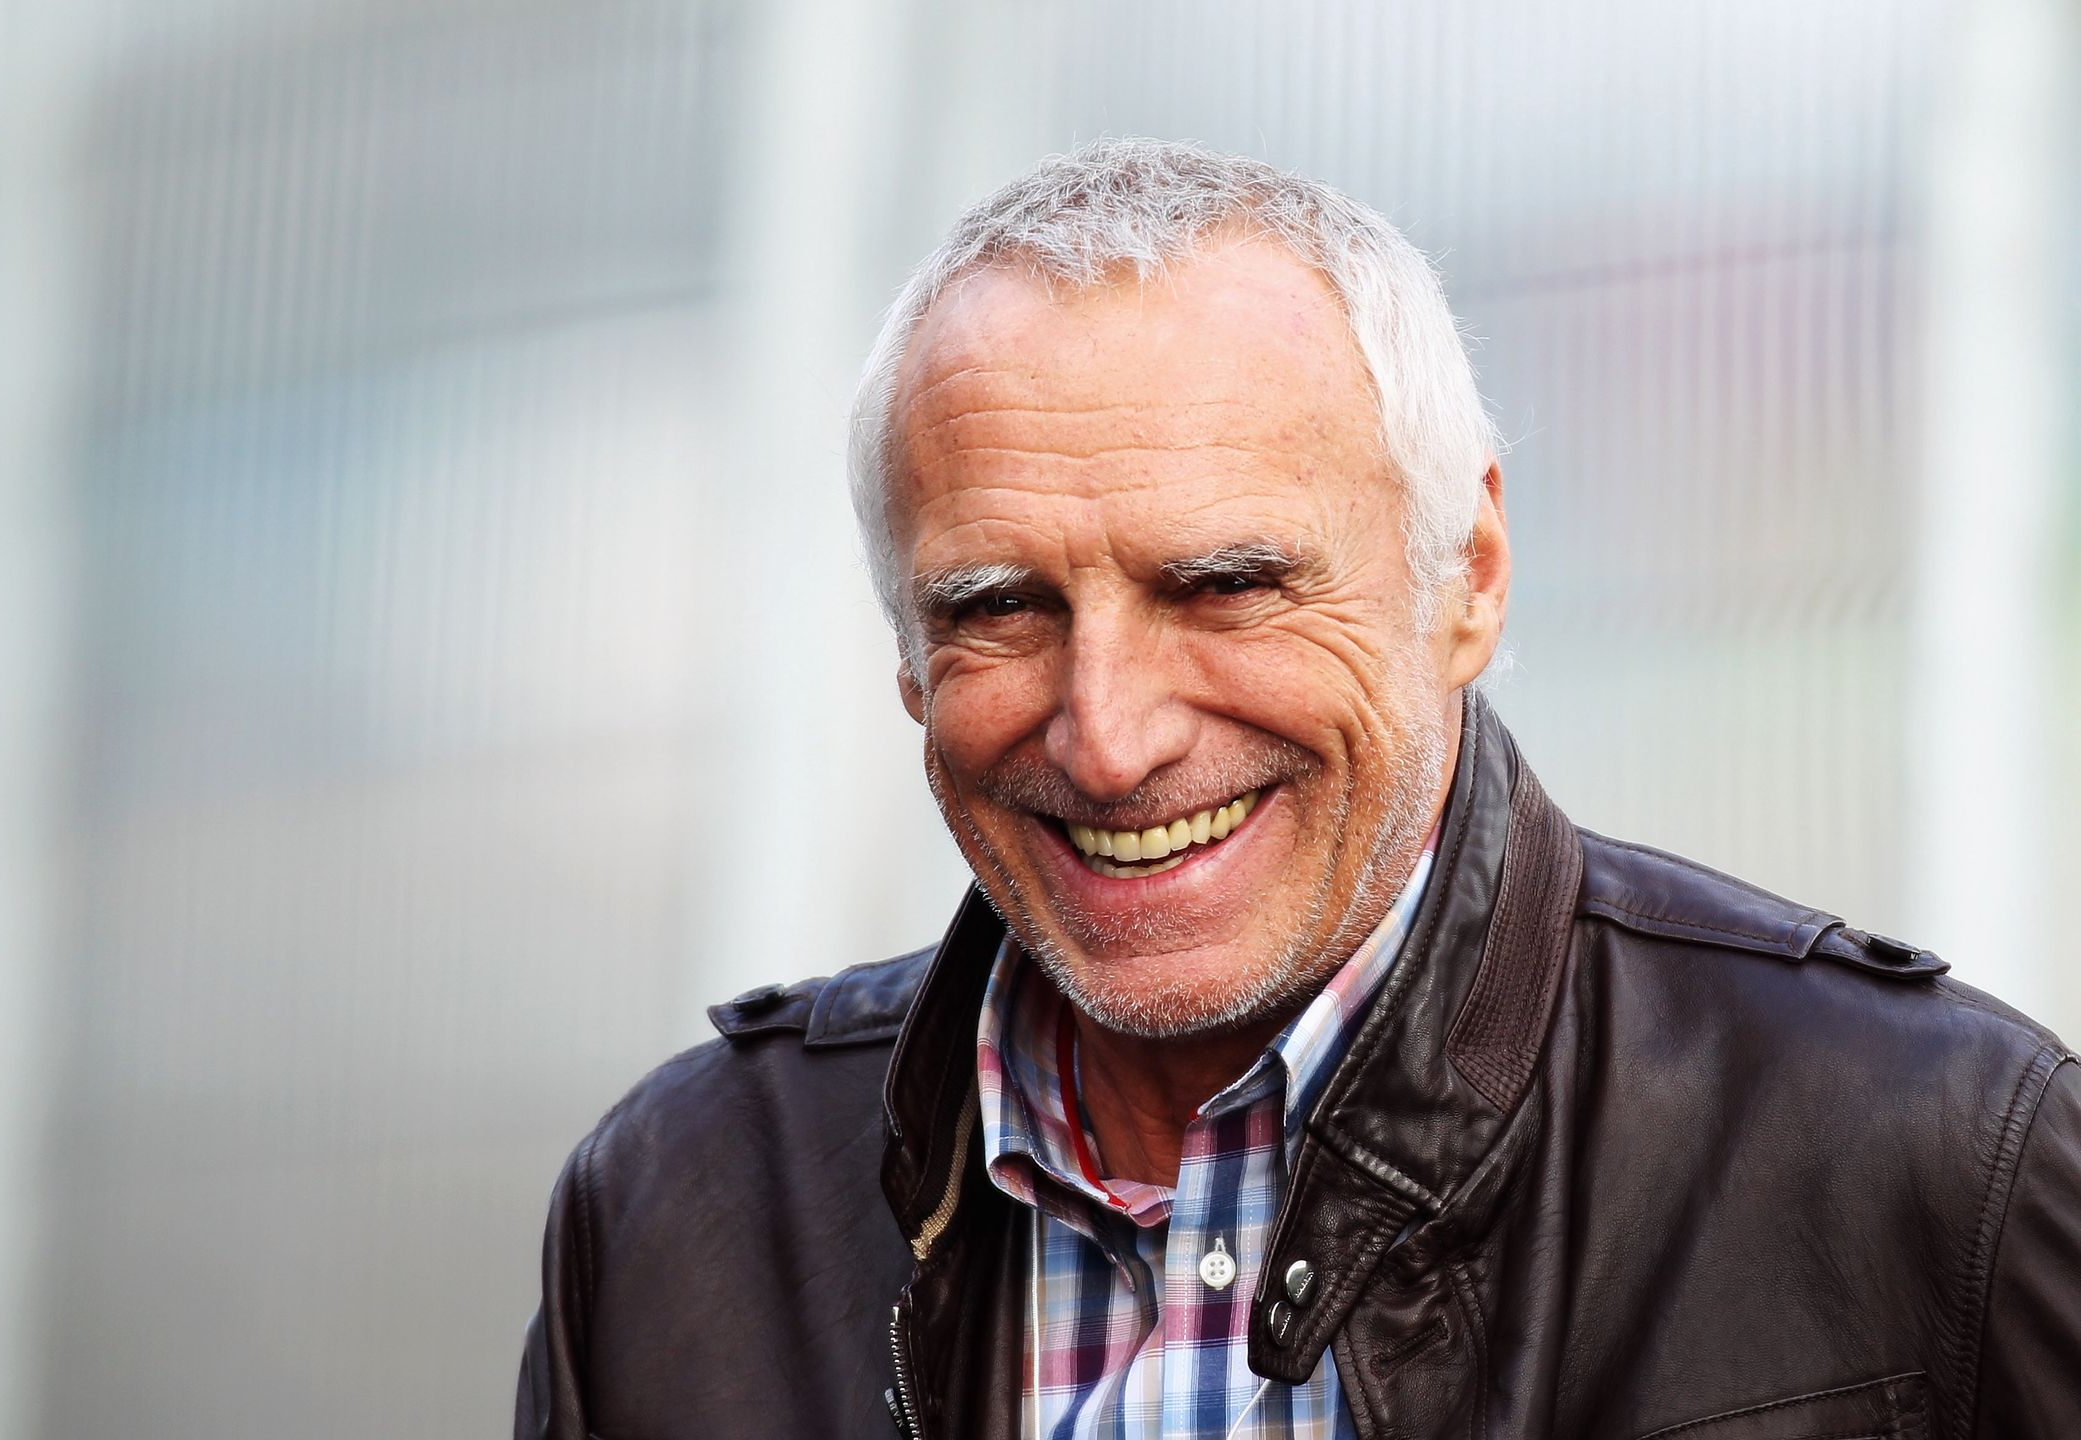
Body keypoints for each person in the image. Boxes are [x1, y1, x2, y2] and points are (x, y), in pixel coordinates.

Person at [514, 139, 2080, 1439]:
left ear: (1466, 575)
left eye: (1224, 585)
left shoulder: (1928, 1166)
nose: (1109, 738)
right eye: (999, 606)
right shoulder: (680, 1216)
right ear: (905, 658)